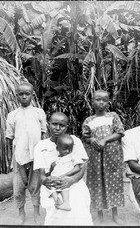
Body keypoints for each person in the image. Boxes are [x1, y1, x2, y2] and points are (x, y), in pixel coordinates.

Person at [34, 112, 93, 225]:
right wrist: (47, 181)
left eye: (62, 125)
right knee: (55, 208)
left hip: (73, 181)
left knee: (77, 204)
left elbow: (82, 168)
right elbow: (41, 175)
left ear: (66, 127)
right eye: (54, 124)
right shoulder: (41, 146)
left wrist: (71, 180)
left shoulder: (74, 141)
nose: (57, 128)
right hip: (52, 184)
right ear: (48, 125)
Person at [5, 82, 47, 225]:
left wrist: (44, 156)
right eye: (21, 94)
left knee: (35, 186)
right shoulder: (12, 115)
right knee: (18, 188)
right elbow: (9, 137)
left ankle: (36, 212)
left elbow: (44, 134)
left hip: (36, 156)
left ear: (32, 95)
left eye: (27, 94)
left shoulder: (39, 112)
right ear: (17, 96)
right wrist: (12, 159)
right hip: (19, 156)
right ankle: (21, 213)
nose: (24, 96)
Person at [82, 90, 125, 225]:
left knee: (114, 182)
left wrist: (105, 140)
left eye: (104, 100)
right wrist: (92, 140)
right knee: (96, 183)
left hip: (112, 156)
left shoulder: (113, 116)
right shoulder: (89, 120)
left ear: (108, 102)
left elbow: (120, 132)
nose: (101, 102)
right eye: (98, 99)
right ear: (92, 101)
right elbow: (85, 137)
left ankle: (114, 214)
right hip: (95, 157)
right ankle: (99, 214)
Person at [43, 134, 83, 211]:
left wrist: (65, 174)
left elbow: (78, 168)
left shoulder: (72, 156)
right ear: (58, 148)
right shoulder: (56, 159)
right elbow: (50, 173)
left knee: (64, 185)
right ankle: (57, 200)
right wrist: (52, 168)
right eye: (65, 149)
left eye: (70, 149)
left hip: (66, 177)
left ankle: (66, 203)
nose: (68, 151)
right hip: (56, 178)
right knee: (47, 185)